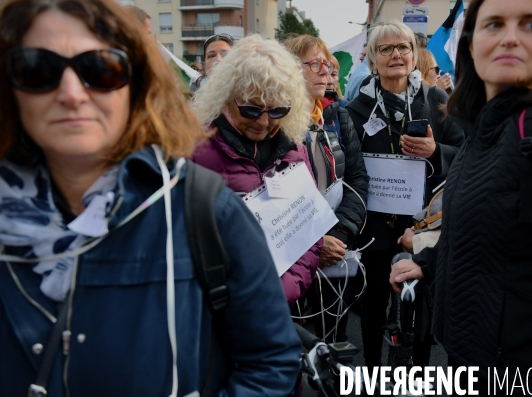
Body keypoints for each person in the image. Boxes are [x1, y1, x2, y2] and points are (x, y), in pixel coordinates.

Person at [0, 1, 302, 396]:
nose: (72, 94)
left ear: (136, 84)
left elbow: (271, 360)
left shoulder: (203, 208)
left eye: (100, 69)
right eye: (38, 69)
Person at [390, 0, 532, 393]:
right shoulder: (485, 119)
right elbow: (494, 226)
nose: (510, 37)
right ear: (471, 43)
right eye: (494, 24)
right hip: (473, 359)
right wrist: (429, 262)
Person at [345, 19, 464, 368]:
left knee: (422, 304)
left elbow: (465, 153)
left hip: (425, 224)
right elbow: (351, 171)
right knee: (373, 303)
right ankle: (371, 368)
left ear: (414, 54)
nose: (396, 55)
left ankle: (421, 372)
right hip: (376, 223)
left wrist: (434, 151)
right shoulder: (356, 109)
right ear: (372, 59)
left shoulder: (436, 98)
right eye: (386, 49)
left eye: (403, 47)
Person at [191, 34, 323, 307]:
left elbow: (309, 229)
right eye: (251, 109)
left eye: (277, 111)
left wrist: (282, 290)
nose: (263, 122)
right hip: (218, 312)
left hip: (278, 306)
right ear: (227, 97)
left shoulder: (295, 150)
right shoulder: (194, 153)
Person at [285, 35, 370, 342]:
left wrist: (340, 234)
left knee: (332, 340)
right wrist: (313, 244)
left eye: (328, 64)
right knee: (289, 346)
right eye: (316, 64)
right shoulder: (273, 124)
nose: (326, 72)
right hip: (290, 255)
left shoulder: (336, 115)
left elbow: (358, 179)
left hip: (335, 248)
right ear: (292, 70)